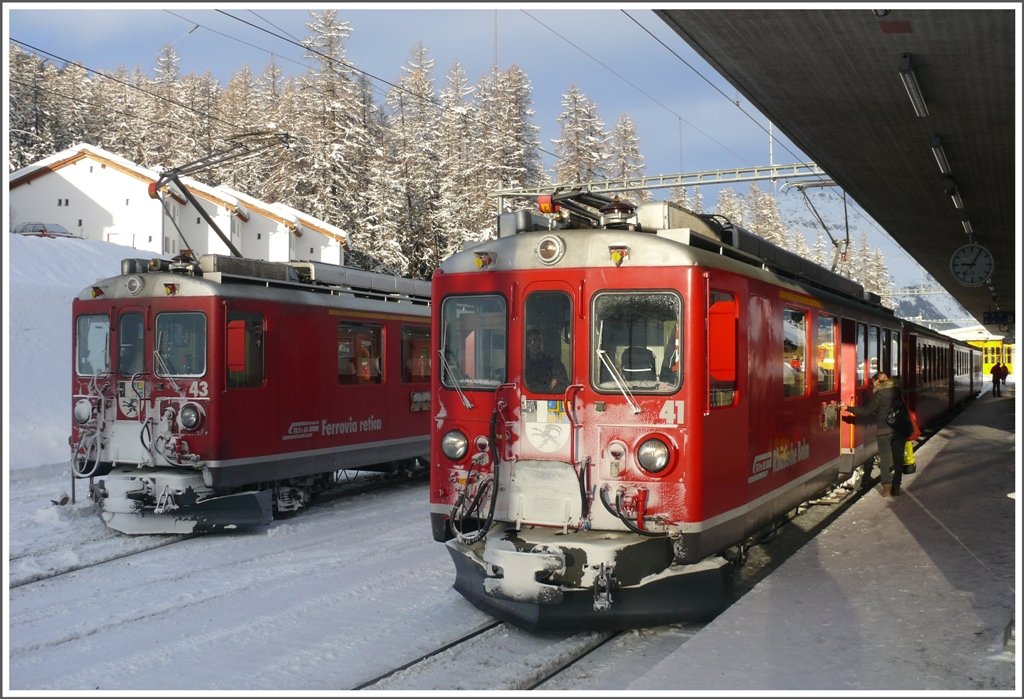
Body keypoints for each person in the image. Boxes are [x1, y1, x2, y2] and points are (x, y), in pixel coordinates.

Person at [839, 371, 909, 497]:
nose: (872, 386)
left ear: (877, 381)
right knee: (898, 460)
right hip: (899, 429)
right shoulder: (898, 391)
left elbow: (867, 411)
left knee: (885, 460)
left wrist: (848, 408)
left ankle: (886, 490)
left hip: (883, 431)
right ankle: (896, 487)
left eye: (873, 383)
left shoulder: (880, 394)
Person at [525, 328, 569, 393]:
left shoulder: (554, 363)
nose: (537, 344)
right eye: (533, 341)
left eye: (540, 340)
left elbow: (563, 385)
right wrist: (547, 388)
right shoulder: (523, 364)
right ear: (527, 344)